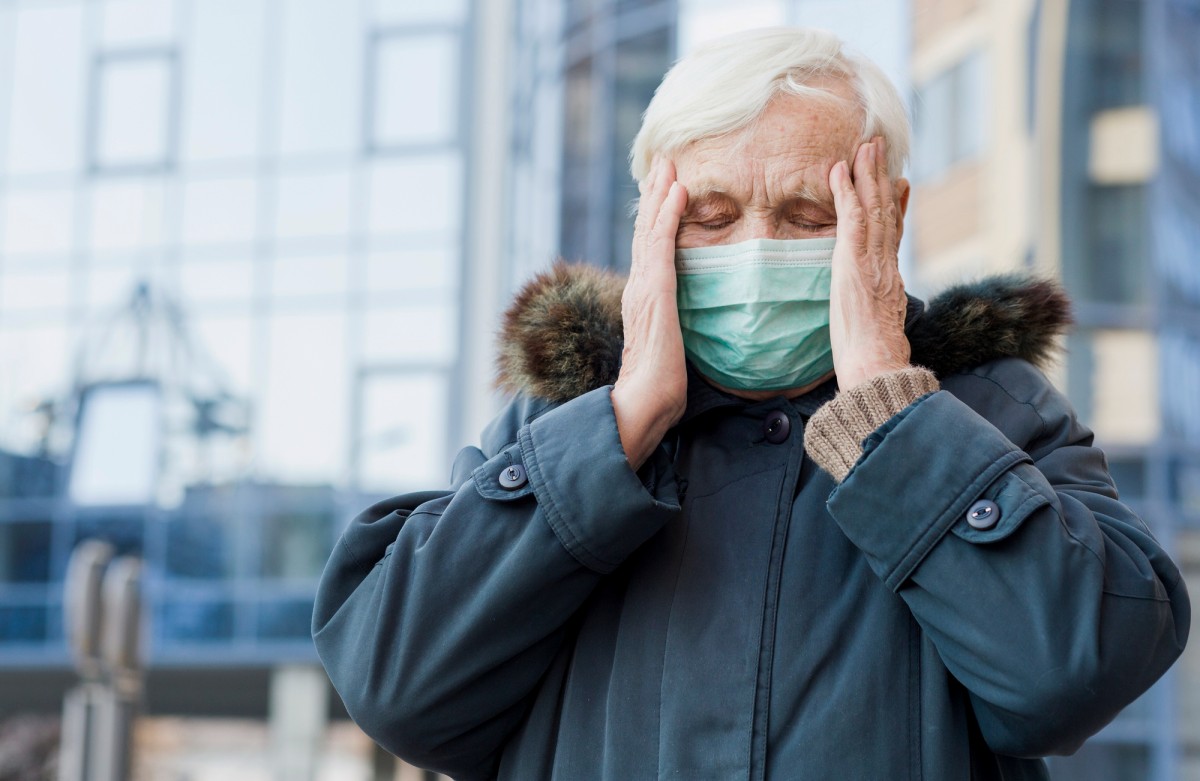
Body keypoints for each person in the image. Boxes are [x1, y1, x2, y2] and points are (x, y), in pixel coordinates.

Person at [313, 27, 1189, 780]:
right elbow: (399, 688)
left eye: (809, 215)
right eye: (713, 215)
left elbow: (1071, 674)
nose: (757, 248)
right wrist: (618, 430)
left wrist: (894, 415)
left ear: (886, 212)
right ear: (650, 223)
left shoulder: (999, 412)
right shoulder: (551, 423)